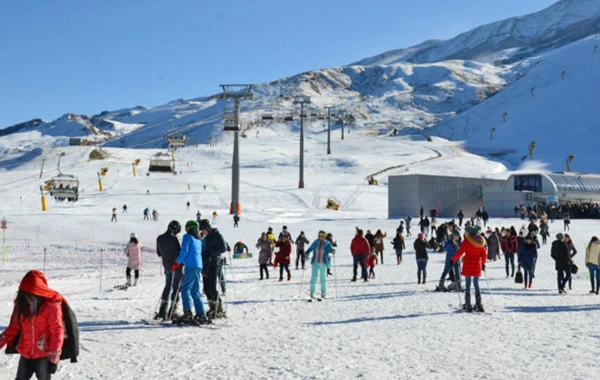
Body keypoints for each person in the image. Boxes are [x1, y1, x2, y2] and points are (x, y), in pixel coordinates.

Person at [0, 270, 65, 380]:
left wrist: (54, 356)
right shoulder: (21, 304)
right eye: (27, 293)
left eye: (33, 293)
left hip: (43, 355)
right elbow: (15, 326)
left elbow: (57, 330)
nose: (30, 297)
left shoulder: (51, 305)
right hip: (26, 353)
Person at [172, 220, 211, 325]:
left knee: (185, 289)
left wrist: (177, 262)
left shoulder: (187, 237)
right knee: (195, 290)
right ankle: (201, 313)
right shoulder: (198, 240)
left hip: (190, 265)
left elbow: (184, 250)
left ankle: (187, 313)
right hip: (198, 266)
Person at [450, 225, 487, 312]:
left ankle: (468, 304)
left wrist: (453, 260)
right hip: (477, 265)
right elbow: (484, 254)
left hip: (468, 264)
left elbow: (460, 252)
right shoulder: (481, 241)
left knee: (467, 284)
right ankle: (479, 304)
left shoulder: (466, 242)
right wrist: (483, 264)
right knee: (476, 284)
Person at [199, 219, 227, 319]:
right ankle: (212, 306)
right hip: (206, 264)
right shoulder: (205, 238)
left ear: (208, 227)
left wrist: (212, 252)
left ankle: (218, 307)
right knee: (206, 288)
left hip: (214, 263)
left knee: (212, 287)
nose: (202, 232)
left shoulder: (216, 235)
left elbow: (223, 248)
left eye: (203, 229)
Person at [155, 221, 182, 320]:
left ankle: (163, 309)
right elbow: (180, 252)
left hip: (166, 265)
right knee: (176, 287)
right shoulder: (175, 239)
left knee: (167, 286)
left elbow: (159, 253)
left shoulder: (160, 238)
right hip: (176, 266)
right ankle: (173, 309)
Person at [305, 231, 334, 300]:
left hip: (323, 263)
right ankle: (312, 293)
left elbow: (332, 250)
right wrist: (306, 253)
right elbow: (310, 248)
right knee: (314, 278)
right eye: (321, 236)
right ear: (319, 236)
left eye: (324, 236)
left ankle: (323, 292)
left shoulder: (327, 243)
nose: (322, 237)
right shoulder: (315, 242)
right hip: (315, 262)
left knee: (323, 278)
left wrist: (332, 252)